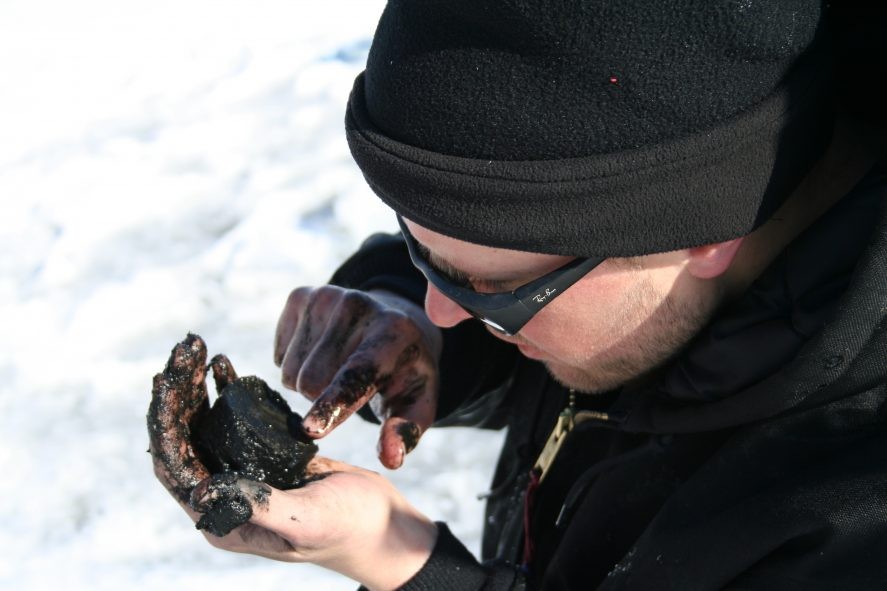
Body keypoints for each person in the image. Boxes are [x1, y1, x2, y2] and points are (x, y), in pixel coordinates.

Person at [149, 1, 887, 589]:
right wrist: (411, 320)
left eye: (491, 288)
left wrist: (409, 565)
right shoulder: (642, 255)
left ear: (704, 229)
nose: (442, 309)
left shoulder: (854, 520)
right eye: (420, 250)